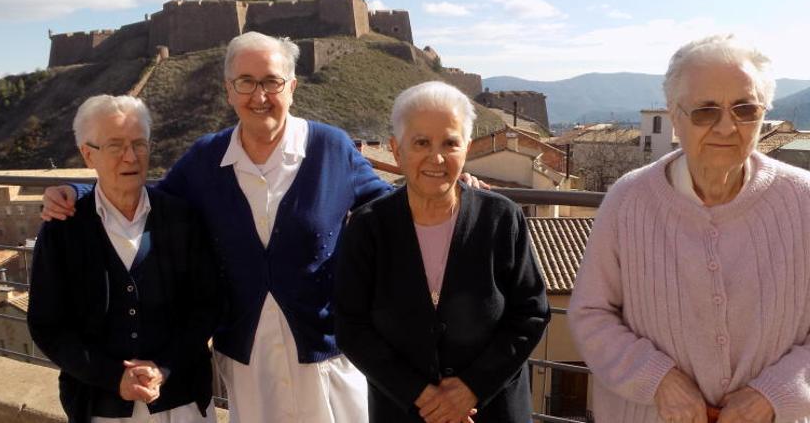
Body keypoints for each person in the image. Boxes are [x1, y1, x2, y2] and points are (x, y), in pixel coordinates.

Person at [42, 32, 390, 422]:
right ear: (228, 91)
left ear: (291, 87)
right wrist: (75, 190)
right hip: (247, 358)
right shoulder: (206, 158)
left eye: (272, 82)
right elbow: (139, 192)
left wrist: (453, 187)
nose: (259, 96)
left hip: (324, 352)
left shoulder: (331, 148)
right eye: (245, 83)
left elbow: (390, 207)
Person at [568, 34, 810, 423]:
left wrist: (776, 392)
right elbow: (591, 313)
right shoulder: (628, 200)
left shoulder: (804, 201)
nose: (726, 127)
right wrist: (659, 380)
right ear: (675, 115)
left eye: (745, 109)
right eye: (705, 111)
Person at [334, 81, 550, 423]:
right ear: (396, 149)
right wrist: (422, 396)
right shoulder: (368, 227)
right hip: (402, 411)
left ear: (466, 150)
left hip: (492, 411)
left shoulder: (501, 218)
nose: (436, 158)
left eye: (450, 143)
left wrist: (471, 389)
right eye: (421, 142)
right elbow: (350, 326)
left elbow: (531, 314)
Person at [28, 95, 222, 423]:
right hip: (100, 407)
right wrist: (111, 376)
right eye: (115, 146)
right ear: (88, 154)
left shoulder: (182, 218)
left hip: (182, 402)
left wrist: (164, 368)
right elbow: (48, 325)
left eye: (139, 144)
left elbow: (208, 306)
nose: (130, 157)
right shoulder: (63, 230)